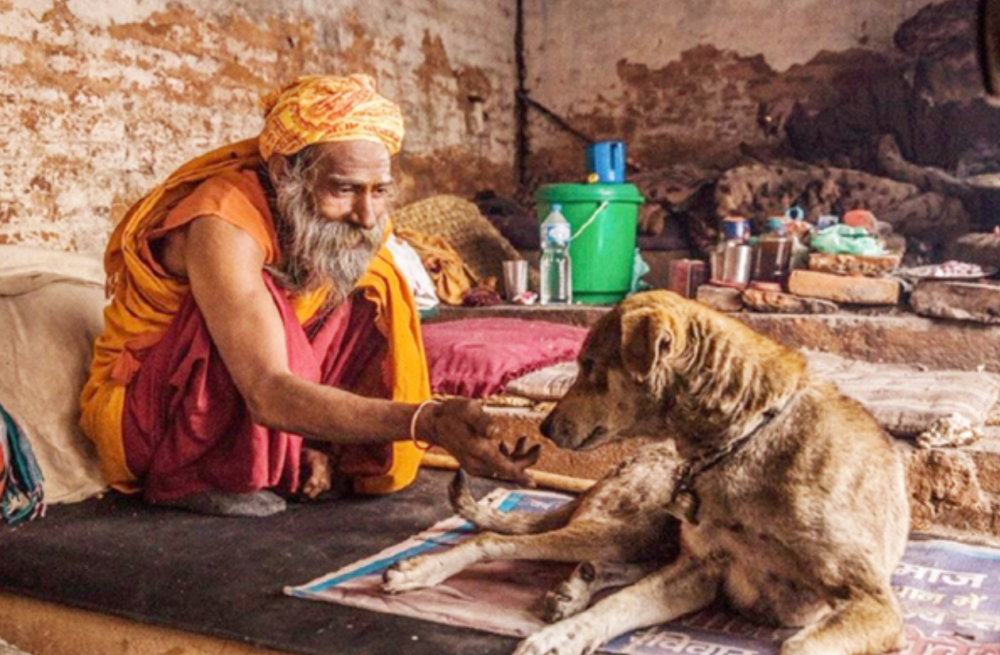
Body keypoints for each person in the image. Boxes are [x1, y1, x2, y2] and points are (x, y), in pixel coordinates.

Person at [80, 74, 538, 517]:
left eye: (379, 190)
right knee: (263, 295)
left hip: (266, 392)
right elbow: (266, 389)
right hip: (153, 420)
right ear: (285, 172)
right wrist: (428, 422)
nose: (366, 214)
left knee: (371, 281)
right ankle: (199, 475)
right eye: (344, 189)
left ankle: (308, 445)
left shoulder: (355, 222)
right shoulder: (224, 221)